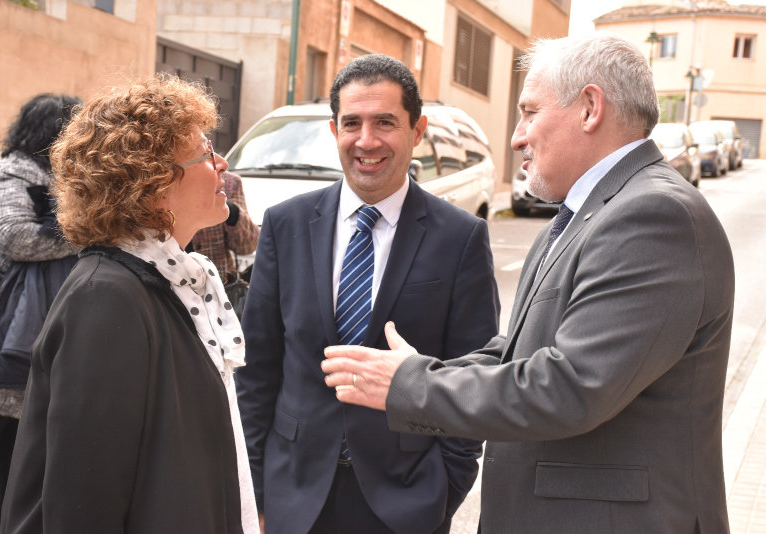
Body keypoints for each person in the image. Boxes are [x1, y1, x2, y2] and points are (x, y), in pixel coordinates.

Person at [322, 33, 734, 533]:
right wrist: (416, 370)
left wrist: (410, 384)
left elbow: (568, 386)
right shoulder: (585, 215)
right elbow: (519, 352)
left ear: (589, 108)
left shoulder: (652, 215)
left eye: (530, 112)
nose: (517, 135)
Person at [235, 54, 499, 534]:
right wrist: (256, 493)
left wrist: (441, 494)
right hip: (293, 496)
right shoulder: (285, 224)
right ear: (334, 130)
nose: (367, 141)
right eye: (352, 123)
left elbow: (474, 376)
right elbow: (257, 371)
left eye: (385, 123)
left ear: (417, 131)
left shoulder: (460, 237)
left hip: (405, 500)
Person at [0, 75, 259, 534]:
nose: (220, 163)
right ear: (153, 183)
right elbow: (84, 498)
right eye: (203, 153)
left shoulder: (171, 279)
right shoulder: (108, 296)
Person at [0, 93, 81, 534]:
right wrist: (84, 235)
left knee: (19, 491)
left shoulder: (59, 179)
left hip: (31, 353)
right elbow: (15, 236)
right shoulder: (14, 174)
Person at [189, 170, 259, 284]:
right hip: (167, 286)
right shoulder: (161, 179)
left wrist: (232, 212)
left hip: (218, 286)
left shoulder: (229, 182)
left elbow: (248, 246)